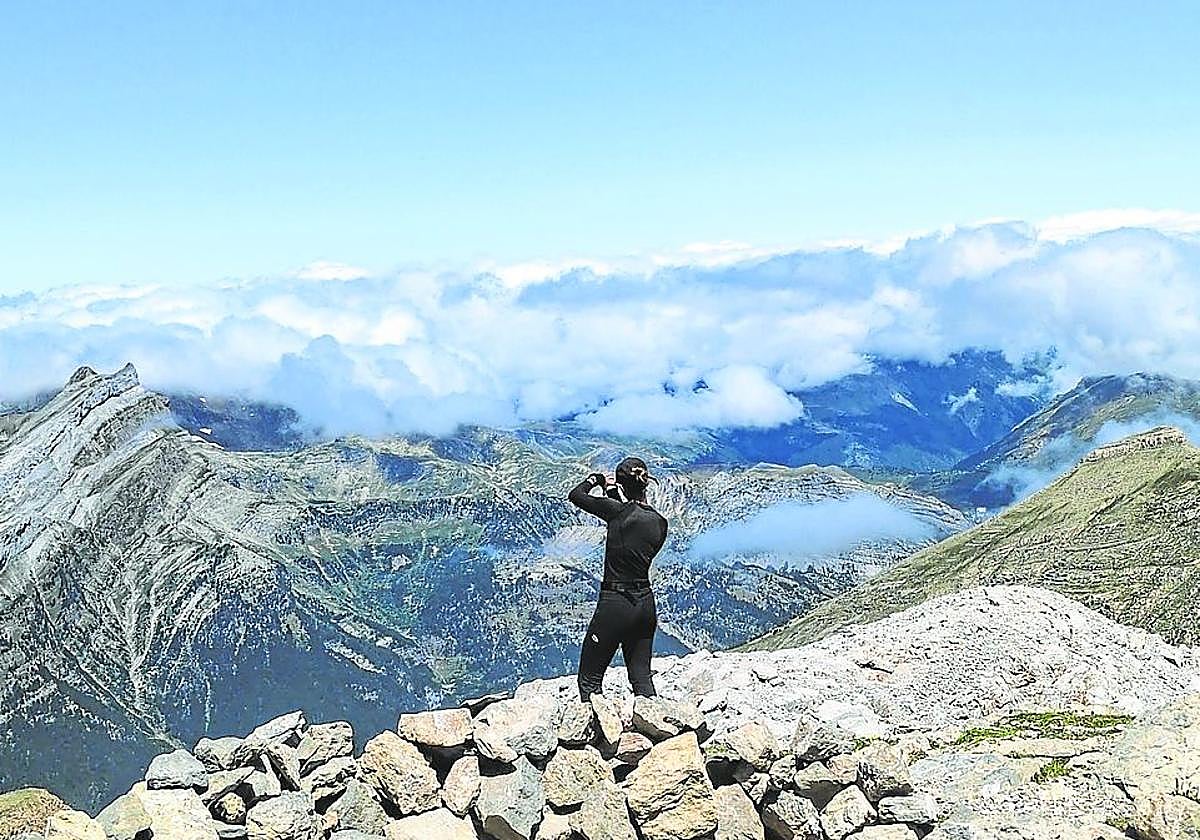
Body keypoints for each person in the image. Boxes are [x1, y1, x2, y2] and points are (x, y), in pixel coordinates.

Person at [567, 455, 668, 702]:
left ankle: (594, 738)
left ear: (622, 486)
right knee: (641, 678)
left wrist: (596, 480)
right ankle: (654, 730)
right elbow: (627, 522)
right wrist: (614, 491)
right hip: (645, 605)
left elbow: (576, 495)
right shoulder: (660, 523)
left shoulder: (617, 512)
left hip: (616, 603)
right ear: (645, 483)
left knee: (589, 680)